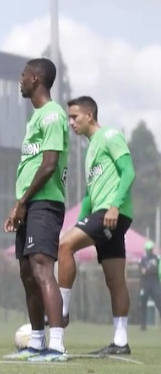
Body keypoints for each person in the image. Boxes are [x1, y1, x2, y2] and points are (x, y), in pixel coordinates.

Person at [3, 58, 70, 362]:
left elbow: (49, 165)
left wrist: (22, 202)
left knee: (42, 269)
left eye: (23, 75)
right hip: (29, 204)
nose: (20, 80)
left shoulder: (53, 116)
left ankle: (56, 345)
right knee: (27, 274)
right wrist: (18, 205)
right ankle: (36, 342)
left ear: (36, 79)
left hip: (44, 202)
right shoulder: (35, 118)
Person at [58, 96, 135, 355]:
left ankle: (62, 312)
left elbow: (129, 171)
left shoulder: (110, 135)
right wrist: (78, 220)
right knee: (115, 281)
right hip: (105, 214)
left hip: (112, 213)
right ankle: (121, 341)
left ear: (89, 115)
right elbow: (90, 195)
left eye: (74, 117)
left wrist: (114, 206)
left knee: (65, 245)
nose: (71, 123)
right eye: (69, 118)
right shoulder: (90, 149)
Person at [141, 241, 161, 331]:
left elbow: (156, 270)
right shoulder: (143, 259)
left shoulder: (157, 258)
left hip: (155, 284)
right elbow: (142, 271)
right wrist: (148, 270)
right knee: (143, 305)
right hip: (145, 284)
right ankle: (143, 326)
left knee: (159, 303)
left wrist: (148, 270)